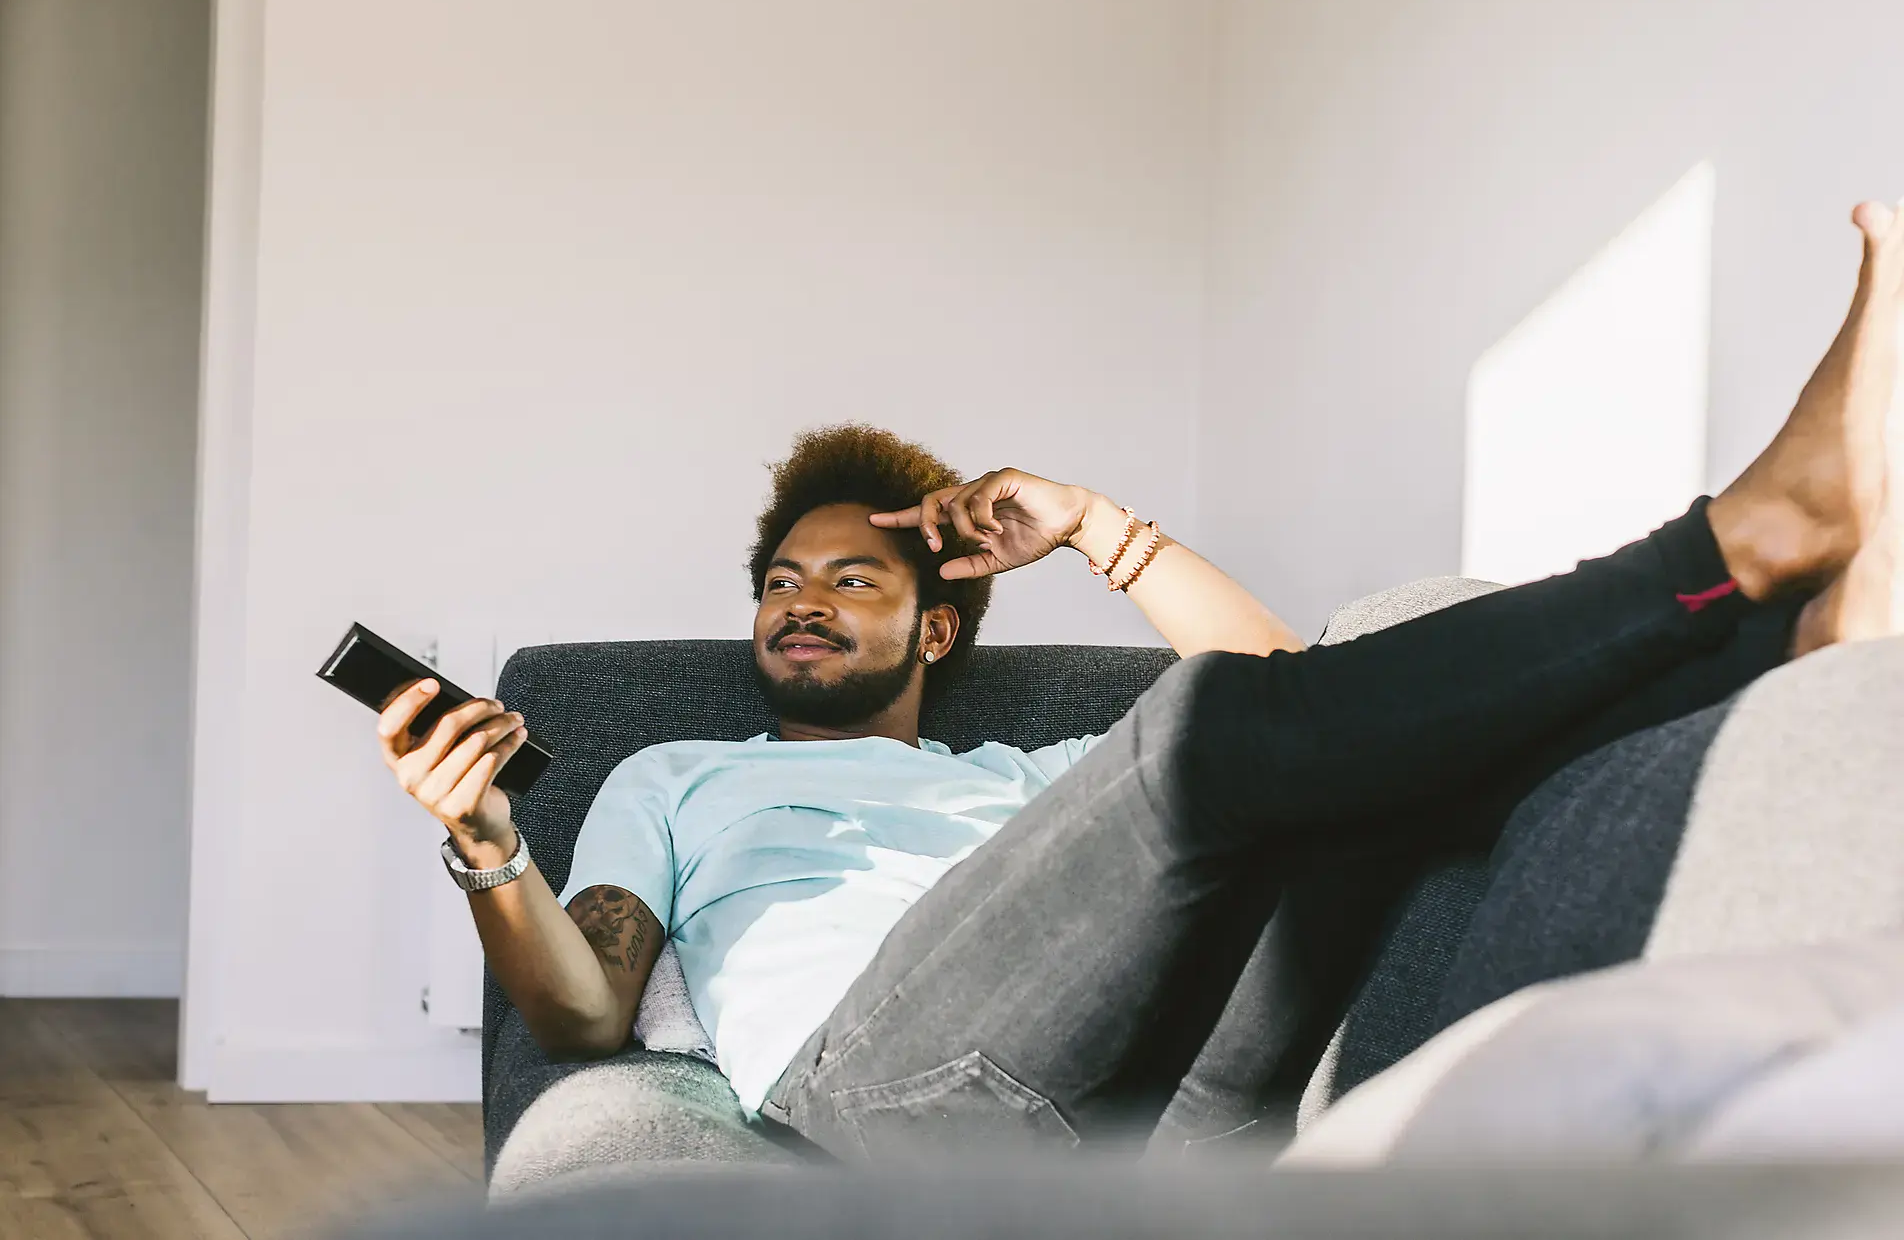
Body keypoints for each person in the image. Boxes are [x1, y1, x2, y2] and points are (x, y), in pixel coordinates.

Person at [376, 199, 1901, 1160]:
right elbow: (585, 1018)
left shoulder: (1027, 788)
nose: (801, 605)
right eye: (780, 581)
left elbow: (1303, 694)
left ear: (939, 629)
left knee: (1352, 773)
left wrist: (1100, 528)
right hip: (885, 1101)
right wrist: (490, 848)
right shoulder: (678, 775)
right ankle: (1745, 555)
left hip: (1170, 1109)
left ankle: (1775, 654)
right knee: (1206, 740)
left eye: (854, 579)